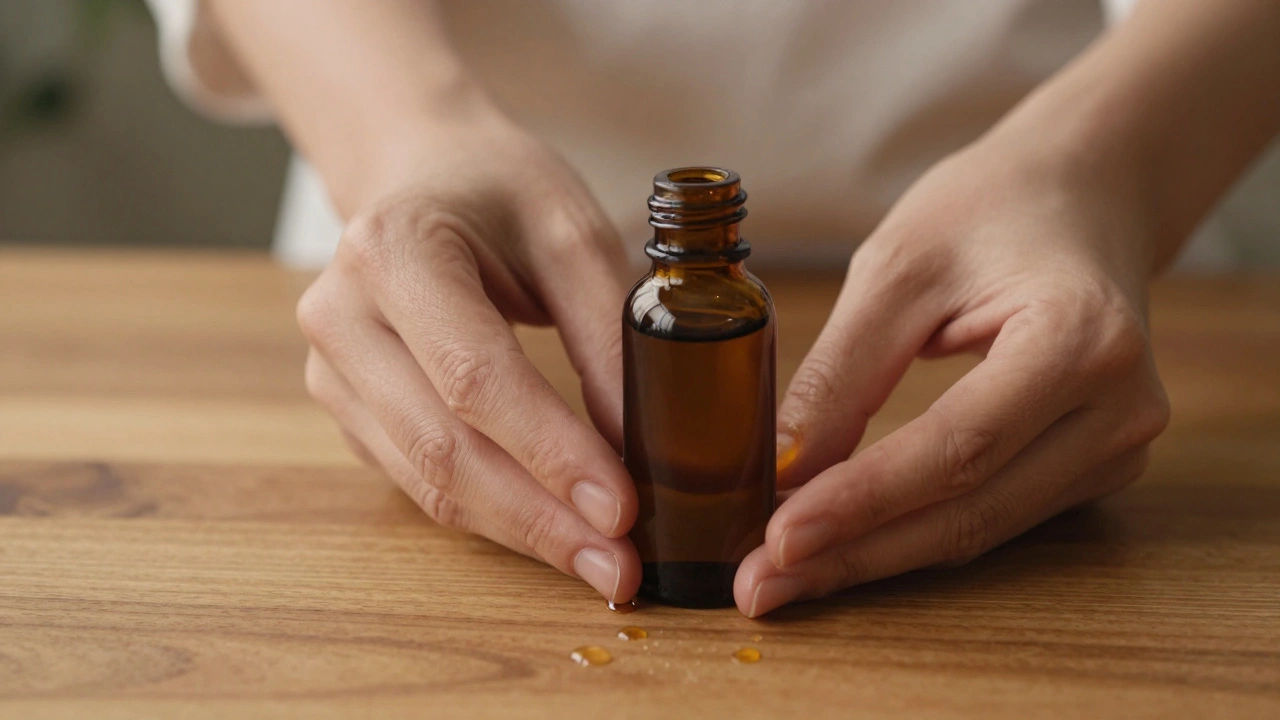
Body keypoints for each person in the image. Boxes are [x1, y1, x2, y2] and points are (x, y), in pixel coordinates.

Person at [144, 0, 1280, 617]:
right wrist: (402, 133)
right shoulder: (663, 304)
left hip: (1030, 232)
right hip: (452, 242)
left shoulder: (711, 302)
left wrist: (1102, 166)